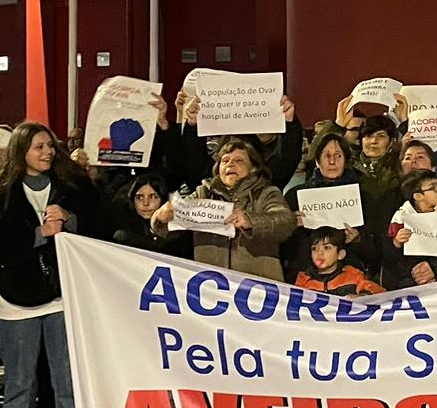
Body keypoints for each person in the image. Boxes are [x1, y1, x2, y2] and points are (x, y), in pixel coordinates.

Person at [0, 122, 110, 408]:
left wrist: (71, 222)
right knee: (19, 383)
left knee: (67, 380)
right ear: (21, 152)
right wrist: (37, 236)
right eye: (38, 147)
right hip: (16, 300)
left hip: (64, 296)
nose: (47, 152)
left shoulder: (75, 189)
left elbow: (100, 226)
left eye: (50, 146)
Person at [150, 136, 296, 282]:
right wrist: (160, 218)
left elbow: (287, 222)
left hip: (257, 288)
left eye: (238, 160)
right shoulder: (203, 193)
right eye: (225, 161)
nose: (230, 164)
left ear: (253, 168)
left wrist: (251, 221)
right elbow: (165, 230)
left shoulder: (267, 193)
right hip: (213, 289)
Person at [283, 127, 374, 278]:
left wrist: (358, 240)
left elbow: (374, 254)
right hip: (306, 278)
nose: (332, 161)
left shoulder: (363, 197)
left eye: (338, 156)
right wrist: (291, 226)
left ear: (346, 160)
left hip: (350, 279)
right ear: (318, 161)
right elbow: (285, 250)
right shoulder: (295, 196)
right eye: (327, 156)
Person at [294, 227, 382, 296]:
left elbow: (378, 294)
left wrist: (363, 296)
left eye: (327, 248)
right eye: (314, 249)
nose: (319, 253)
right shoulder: (303, 281)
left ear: (340, 254)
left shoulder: (354, 276)